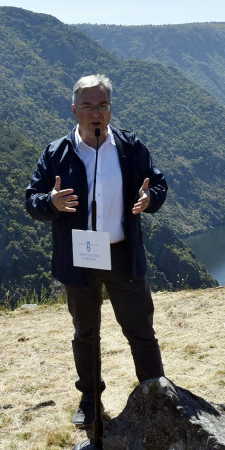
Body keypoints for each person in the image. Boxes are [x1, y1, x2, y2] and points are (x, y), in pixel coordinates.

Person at [25, 74, 167, 428]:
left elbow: (159, 182)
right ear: (74, 110)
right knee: (85, 332)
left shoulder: (130, 147)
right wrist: (51, 202)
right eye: (88, 106)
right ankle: (90, 399)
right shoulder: (57, 152)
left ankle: (156, 392)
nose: (96, 113)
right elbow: (31, 200)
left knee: (140, 328)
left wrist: (151, 199)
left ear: (110, 109)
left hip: (121, 253)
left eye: (102, 105)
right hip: (81, 255)